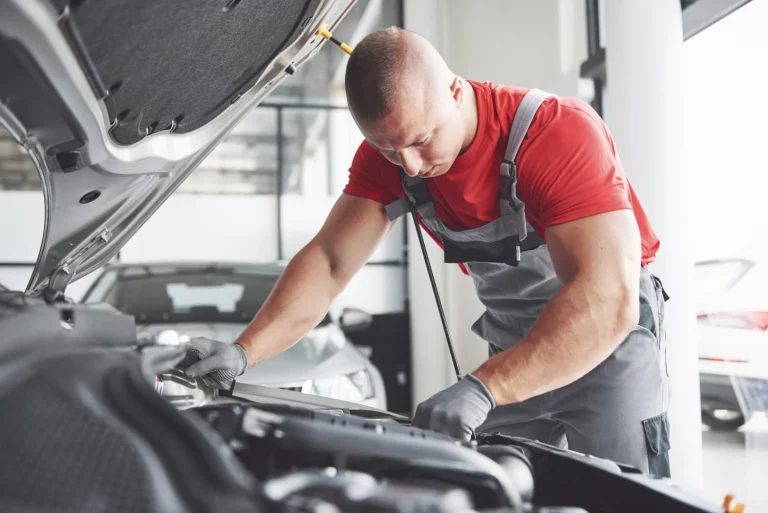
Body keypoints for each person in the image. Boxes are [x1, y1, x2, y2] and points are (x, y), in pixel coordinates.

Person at [181, 27, 671, 477]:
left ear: (455, 91)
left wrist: (485, 387)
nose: (410, 165)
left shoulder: (555, 133)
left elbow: (608, 299)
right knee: (496, 487)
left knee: (626, 496)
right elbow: (329, 262)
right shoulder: (390, 157)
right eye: (388, 150)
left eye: (421, 140)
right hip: (513, 351)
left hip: (607, 347)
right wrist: (245, 351)